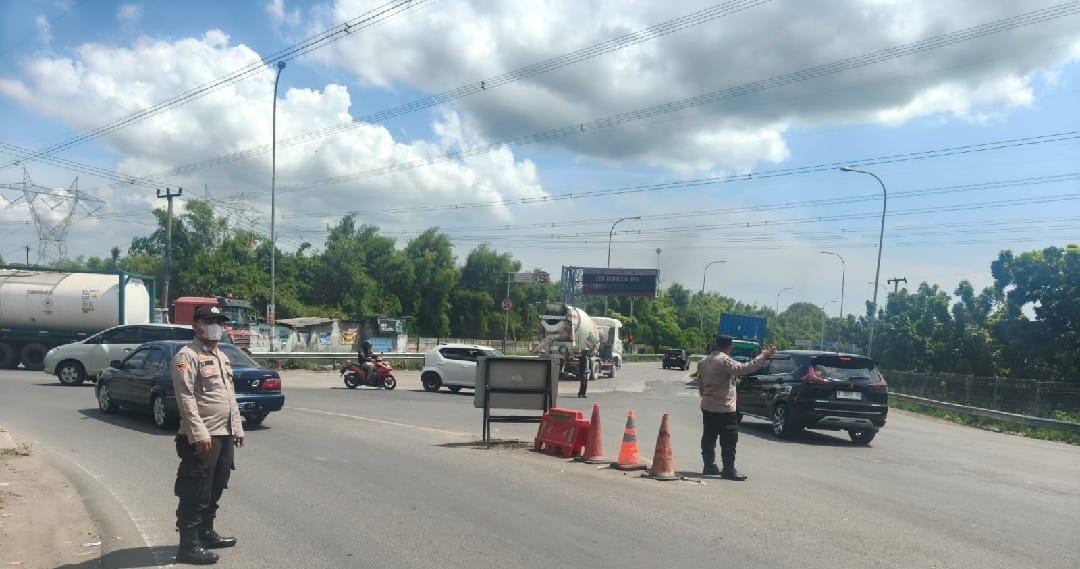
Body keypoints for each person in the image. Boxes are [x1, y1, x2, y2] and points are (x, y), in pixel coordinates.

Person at [171, 305, 244, 565]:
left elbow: (228, 396)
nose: (216, 327)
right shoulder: (186, 356)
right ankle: (188, 545)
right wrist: (199, 432)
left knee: (216, 486)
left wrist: (237, 427)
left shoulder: (221, 356)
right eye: (209, 321)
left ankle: (205, 532)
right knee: (196, 490)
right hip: (202, 436)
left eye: (219, 322)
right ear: (196, 325)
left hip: (224, 434)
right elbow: (185, 397)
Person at [695, 334, 775, 481]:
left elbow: (699, 382)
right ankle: (728, 469)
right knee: (729, 439)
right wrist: (762, 356)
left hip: (707, 405)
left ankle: (709, 465)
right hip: (724, 407)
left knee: (709, 436)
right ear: (729, 347)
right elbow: (744, 368)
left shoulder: (704, 361)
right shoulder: (724, 361)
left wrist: (705, 395)